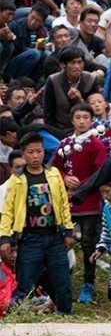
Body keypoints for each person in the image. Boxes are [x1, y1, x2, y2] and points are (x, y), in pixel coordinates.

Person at [0, 132, 76, 314]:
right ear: (24, 154)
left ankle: (65, 315)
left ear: (43, 152)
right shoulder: (17, 179)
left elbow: (63, 204)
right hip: (30, 237)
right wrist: (5, 238)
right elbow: (8, 210)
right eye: (31, 152)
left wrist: (68, 231)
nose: (35, 156)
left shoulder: (53, 174)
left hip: (54, 235)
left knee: (62, 280)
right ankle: (19, 316)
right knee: (25, 280)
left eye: (39, 151)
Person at [51, 103, 108, 303]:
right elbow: (54, 168)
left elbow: (100, 173)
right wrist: (66, 178)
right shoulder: (65, 143)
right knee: (60, 239)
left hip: (89, 202)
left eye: (86, 117)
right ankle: (58, 280)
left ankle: (89, 282)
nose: (82, 121)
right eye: (78, 117)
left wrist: (80, 187)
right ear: (72, 120)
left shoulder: (96, 144)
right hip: (66, 200)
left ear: (92, 120)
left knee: (88, 243)